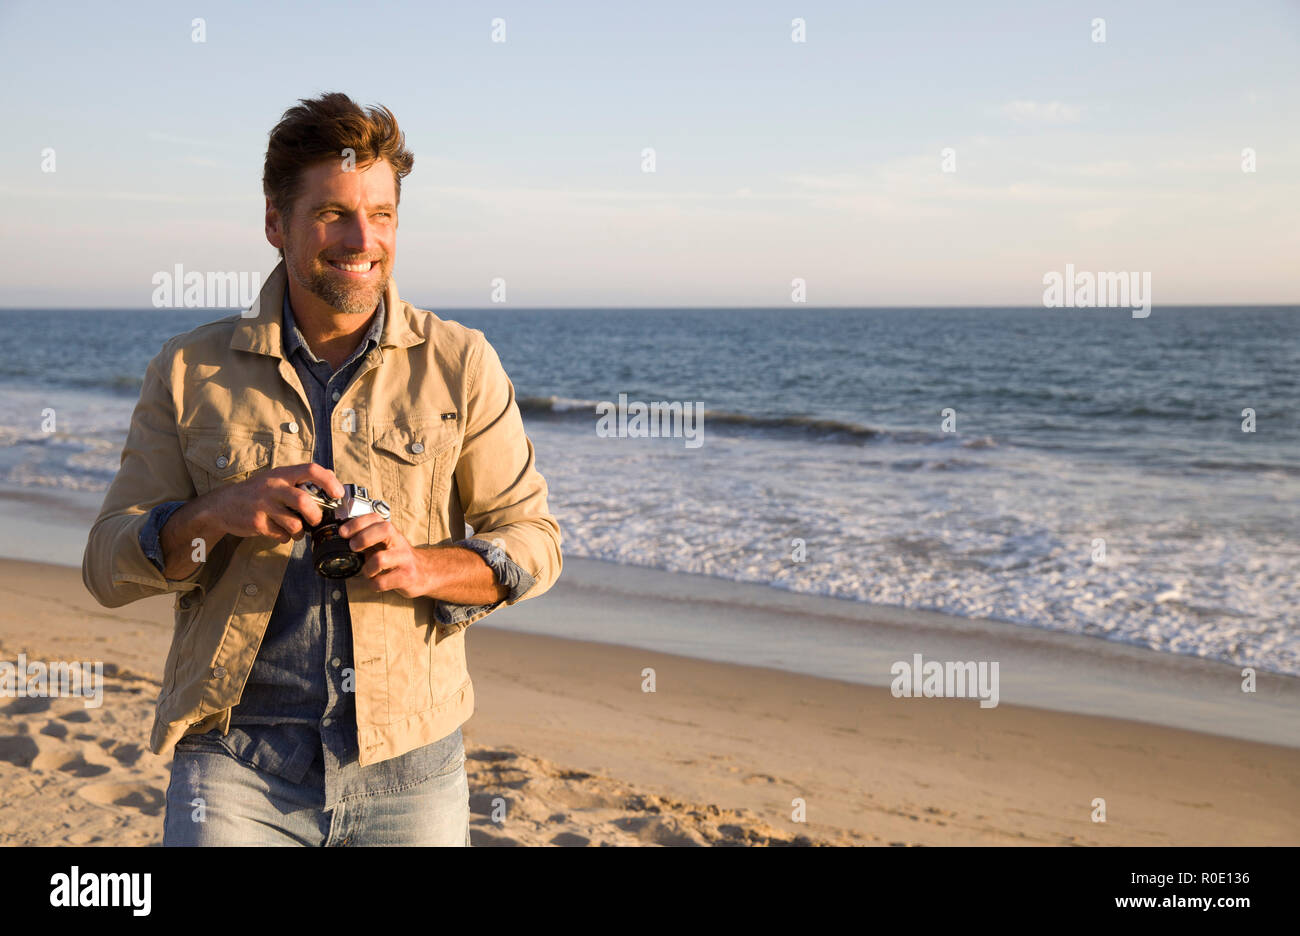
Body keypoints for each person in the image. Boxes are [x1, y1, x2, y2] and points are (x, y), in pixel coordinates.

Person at [81, 92, 562, 846]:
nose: (361, 238)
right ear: (276, 223)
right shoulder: (188, 369)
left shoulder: (461, 363)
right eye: (333, 213)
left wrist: (423, 568)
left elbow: (534, 543)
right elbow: (107, 566)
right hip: (235, 763)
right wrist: (214, 516)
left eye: (381, 214)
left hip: (411, 765)